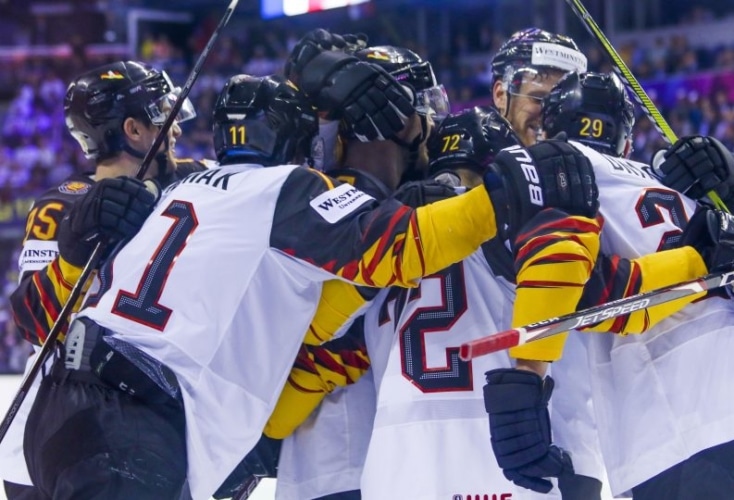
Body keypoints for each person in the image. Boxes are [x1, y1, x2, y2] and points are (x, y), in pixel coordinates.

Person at [22, 70, 597, 500]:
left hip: (65, 408)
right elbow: (399, 250)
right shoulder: (284, 188)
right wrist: (505, 198)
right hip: (134, 423)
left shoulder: (181, 190)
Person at [485, 68, 734, 500]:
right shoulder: (678, 185)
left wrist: (526, 382)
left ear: (550, 127)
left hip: (678, 424)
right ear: (626, 137)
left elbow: (564, 275)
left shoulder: (554, 167)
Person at [1, 60, 203, 500]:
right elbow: (34, 322)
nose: (176, 129)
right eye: (162, 113)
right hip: (60, 434)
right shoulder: (60, 208)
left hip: (156, 426)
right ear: (133, 129)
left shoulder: (195, 183)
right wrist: (75, 255)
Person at [269, 42, 452, 500]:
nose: (434, 125)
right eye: (422, 110)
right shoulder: (347, 210)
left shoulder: (302, 190)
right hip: (345, 453)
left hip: (362, 454)